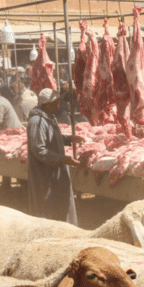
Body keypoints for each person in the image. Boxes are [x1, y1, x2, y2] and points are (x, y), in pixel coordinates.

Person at [27, 89, 82, 225]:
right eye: (55, 103)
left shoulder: (49, 117)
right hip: (45, 172)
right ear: (46, 104)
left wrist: (68, 139)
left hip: (55, 168)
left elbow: (51, 138)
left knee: (61, 203)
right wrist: (61, 159)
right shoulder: (36, 121)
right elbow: (38, 149)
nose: (58, 106)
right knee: (49, 204)